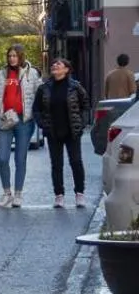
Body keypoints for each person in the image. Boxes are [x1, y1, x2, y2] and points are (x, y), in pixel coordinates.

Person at [35, 56, 91, 208]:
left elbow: (86, 105)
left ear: (66, 69)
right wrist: (42, 124)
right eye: (53, 64)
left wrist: (82, 123)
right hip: (53, 131)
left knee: (76, 162)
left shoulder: (75, 87)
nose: (55, 66)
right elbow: (37, 109)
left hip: (72, 130)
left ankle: (80, 194)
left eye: (59, 64)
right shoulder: (44, 88)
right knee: (56, 164)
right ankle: (59, 195)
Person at [0, 44, 42, 208]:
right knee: (2, 158)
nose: (11, 58)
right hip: (5, 119)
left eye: (14, 56)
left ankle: (18, 194)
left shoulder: (31, 73)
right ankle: (7, 193)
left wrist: (37, 112)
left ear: (20, 56)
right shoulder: (1, 73)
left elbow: (39, 94)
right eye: (9, 56)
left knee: (20, 158)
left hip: (24, 121)